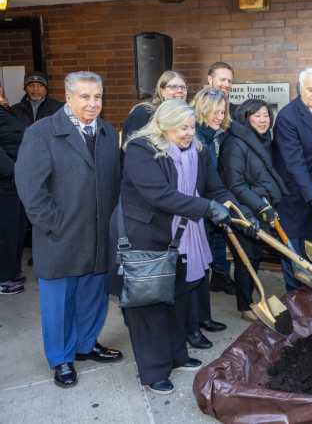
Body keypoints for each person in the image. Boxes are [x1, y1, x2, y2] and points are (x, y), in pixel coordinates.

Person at [110, 99, 256, 394]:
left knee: (177, 298)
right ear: (163, 125)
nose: (189, 133)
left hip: (184, 238)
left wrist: (242, 212)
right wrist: (207, 208)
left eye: (191, 127)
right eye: (182, 128)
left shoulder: (198, 150)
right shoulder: (142, 150)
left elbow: (215, 188)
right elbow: (160, 196)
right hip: (146, 237)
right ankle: (153, 371)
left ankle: (176, 354)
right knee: (149, 305)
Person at [15, 71, 123, 389]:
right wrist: (54, 226)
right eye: (85, 96)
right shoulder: (42, 132)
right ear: (68, 96)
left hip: (99, 235)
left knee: (93, 297)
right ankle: (61, 359)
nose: (93, 103)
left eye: (98, 96)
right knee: (58, 305)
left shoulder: (105, 132)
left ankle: (85, 345)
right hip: (60, 236)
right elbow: (31, 190)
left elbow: (113, 183)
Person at [220, 99, 288, 321]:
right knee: (245, 257)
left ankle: (250, 299)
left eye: (266, 115)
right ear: (245, 117)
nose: (263, 120)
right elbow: (235, 184)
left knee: (255, 255)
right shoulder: (235, 143)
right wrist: (260, 205)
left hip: (260, 207)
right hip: (242, 210)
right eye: (257, 115)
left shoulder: (262, 140)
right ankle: (245, 306)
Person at [273, 68, 312, 290]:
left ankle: (309, 291)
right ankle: (294, 295)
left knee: (310, 239)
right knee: (292, 243)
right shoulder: (287, 116)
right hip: (291, 190)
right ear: (300, 89)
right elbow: (294, 162)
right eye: (310, 90)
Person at [192, 87, 234, 330]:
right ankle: (197, 321)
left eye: (222, 111)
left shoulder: (215, 136)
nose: (219, 116)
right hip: (198, 207)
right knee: (197, 268)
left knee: (204, 264)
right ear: (202, 109)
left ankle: (203, 317)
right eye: (215, 112)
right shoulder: (197, 137)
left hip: (212, 202)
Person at [0, 69, 27, 295]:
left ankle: (10, 272)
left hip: (12, 184)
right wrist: (16, 170)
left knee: (14, 230)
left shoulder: (0, 107)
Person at [122, 70, 188, 139]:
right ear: (162, 91)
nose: (180, 91)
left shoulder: (187, 115)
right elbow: (131, 143)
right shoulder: (144, 112)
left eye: (183, 87)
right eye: (173, 87)